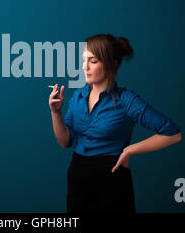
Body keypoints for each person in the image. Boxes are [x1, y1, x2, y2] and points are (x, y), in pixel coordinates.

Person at [49, 34, 182, 213]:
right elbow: (65, 142)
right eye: (84, 60)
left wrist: (130, 150)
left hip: (111, 177)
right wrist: (55, 112)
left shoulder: (127, 100)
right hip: (78, 175)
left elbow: (173, 133)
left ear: (112, 63)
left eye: (93, 61)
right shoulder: (78, 97)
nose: (85, 67)